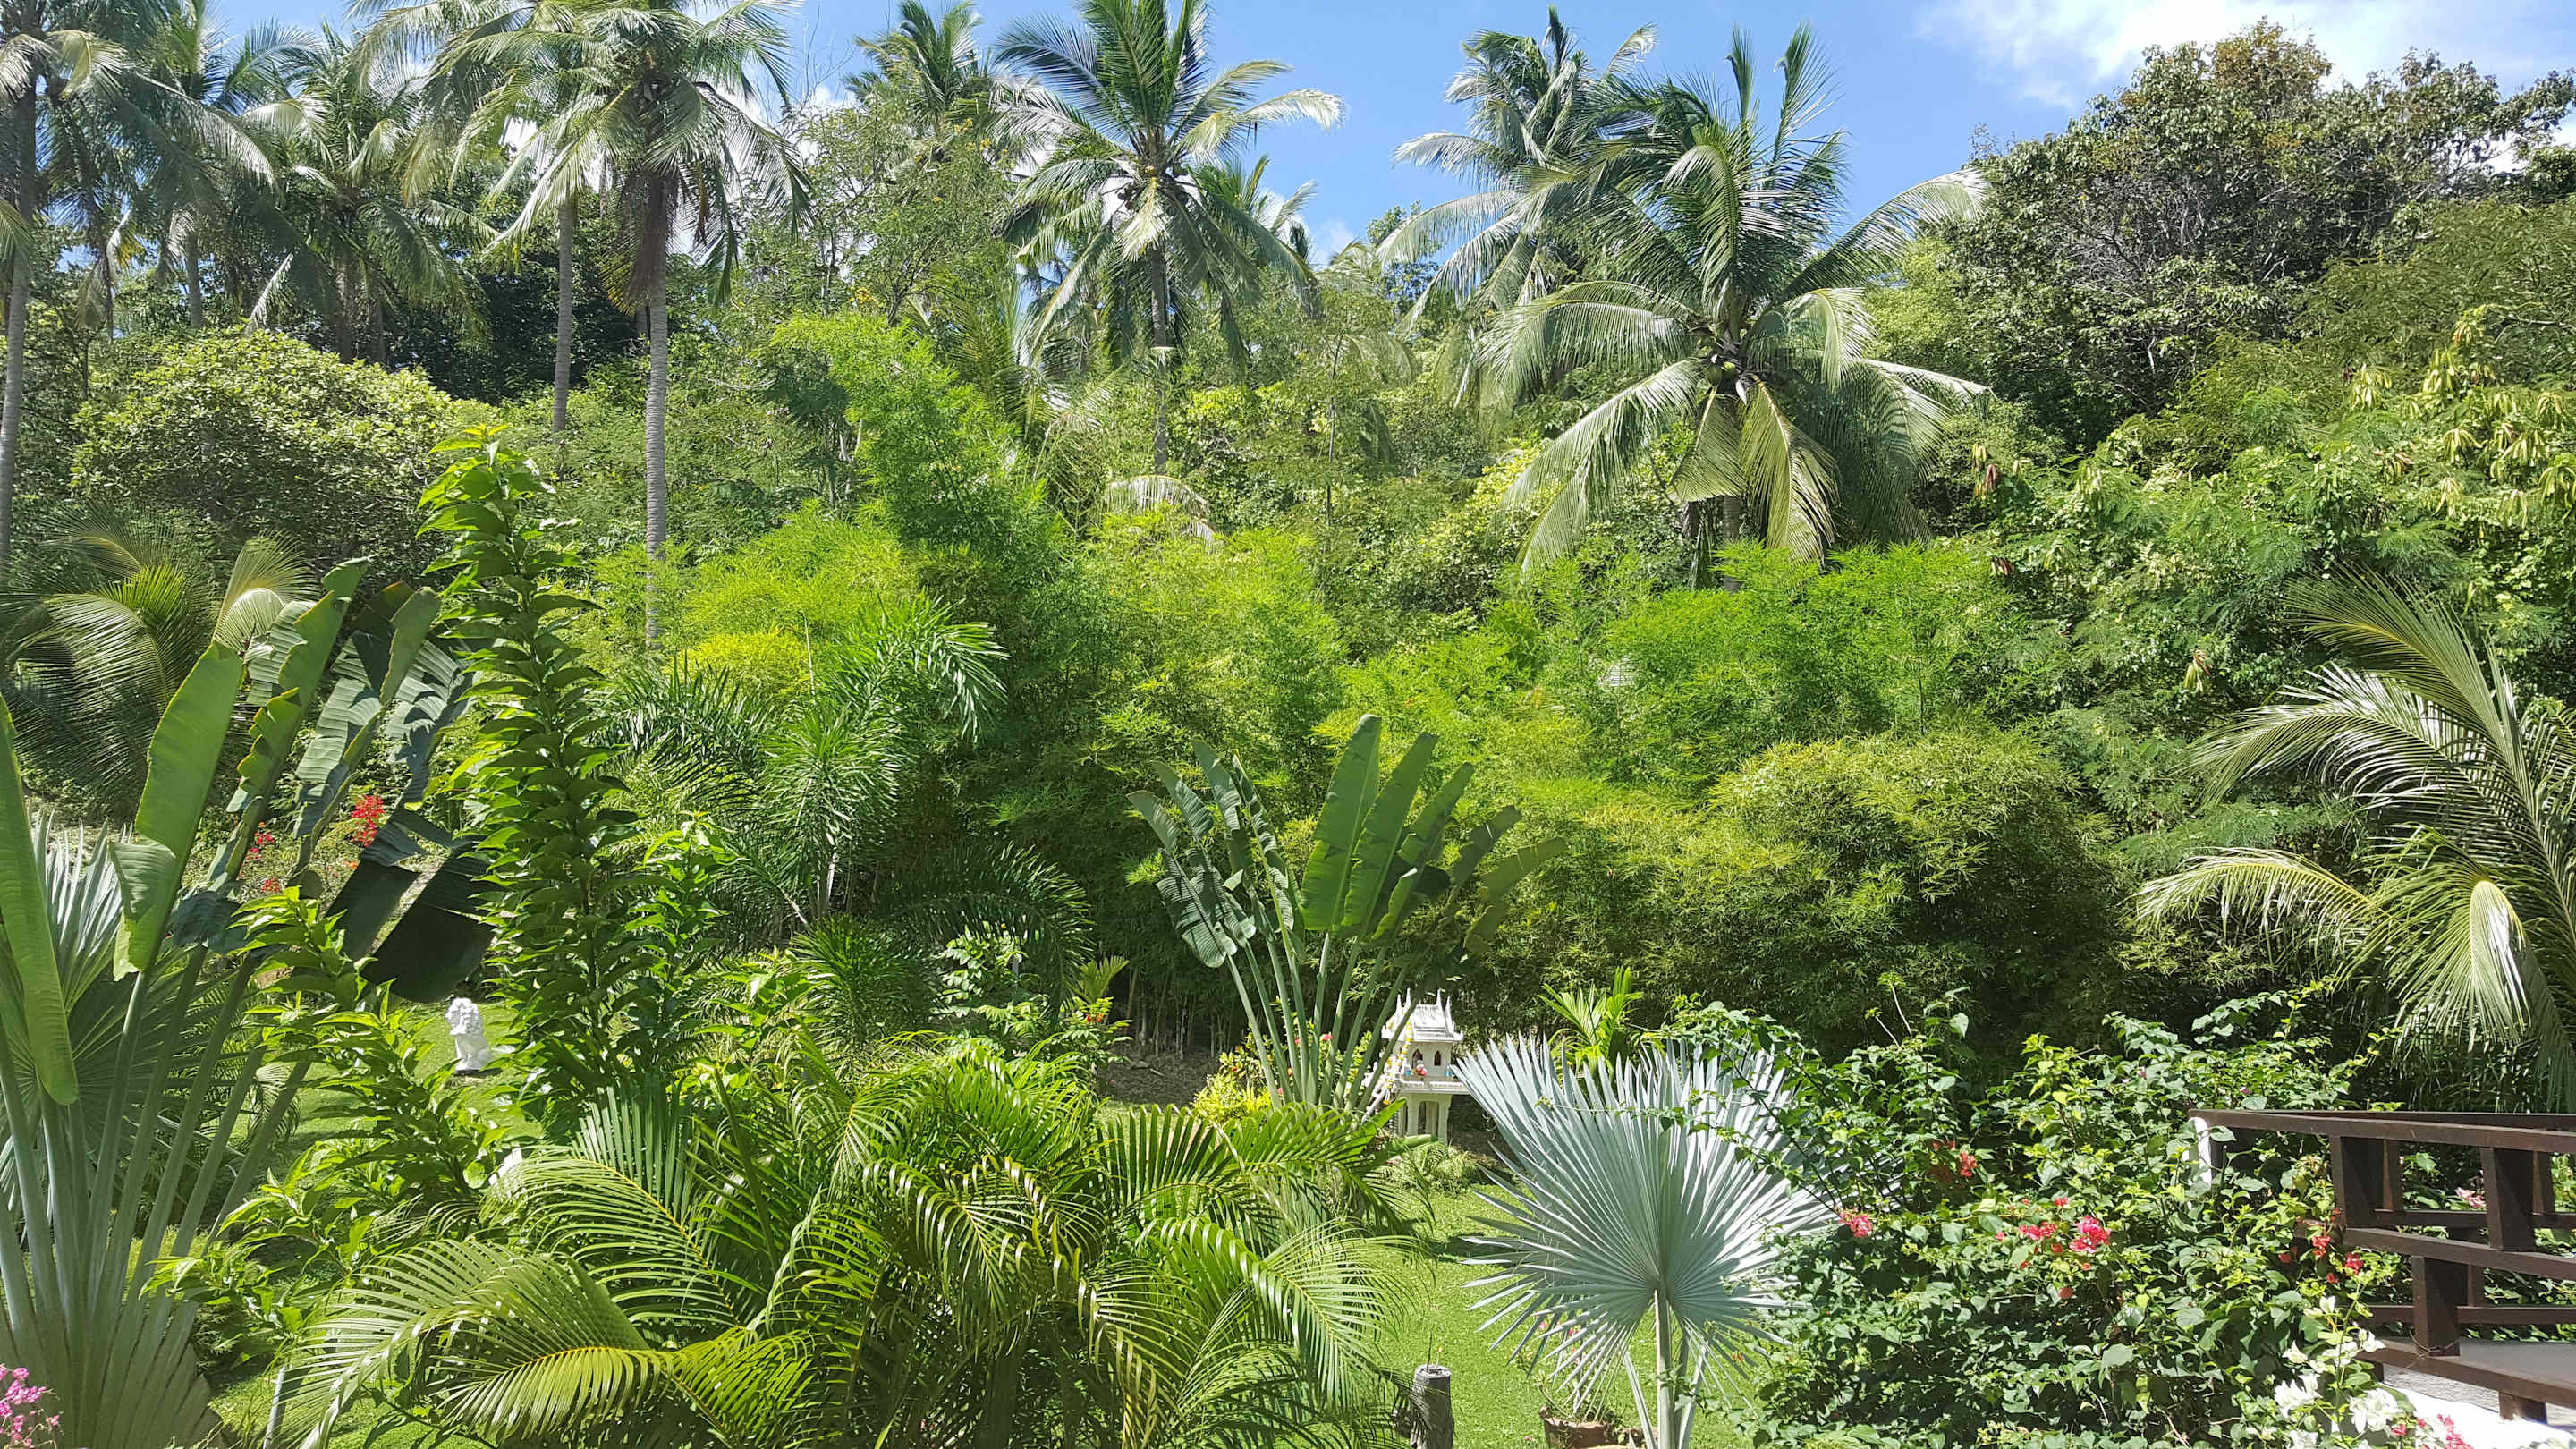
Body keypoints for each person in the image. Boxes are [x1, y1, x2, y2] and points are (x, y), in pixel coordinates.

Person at [446, 996, 496, 1073]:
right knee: (463, 1049)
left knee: (473, 1050)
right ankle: (463, 1062)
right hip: (466, 1041)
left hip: (477, 1054)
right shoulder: (459, 1032)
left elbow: (472, 1051)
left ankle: (474, 1065)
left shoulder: (470, 1034)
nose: (448, 1016)